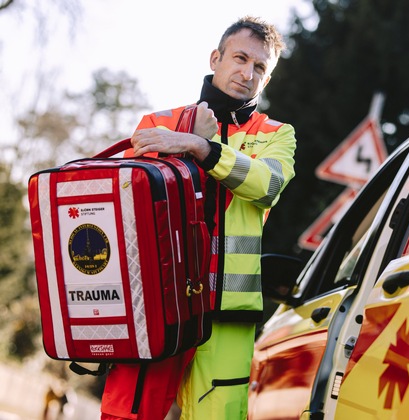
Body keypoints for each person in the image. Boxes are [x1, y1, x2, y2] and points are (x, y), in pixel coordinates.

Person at [99, 16, 296, 420]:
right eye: (240, 58)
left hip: (226, 317)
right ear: (215, 58)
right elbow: (130, 202)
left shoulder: (278, 134)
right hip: (155, 305)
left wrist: (200, 145)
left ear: (267, 79)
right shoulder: (158, 123)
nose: (247, 73)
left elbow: (268, 185)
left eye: (260, 67)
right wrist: (185, 142)